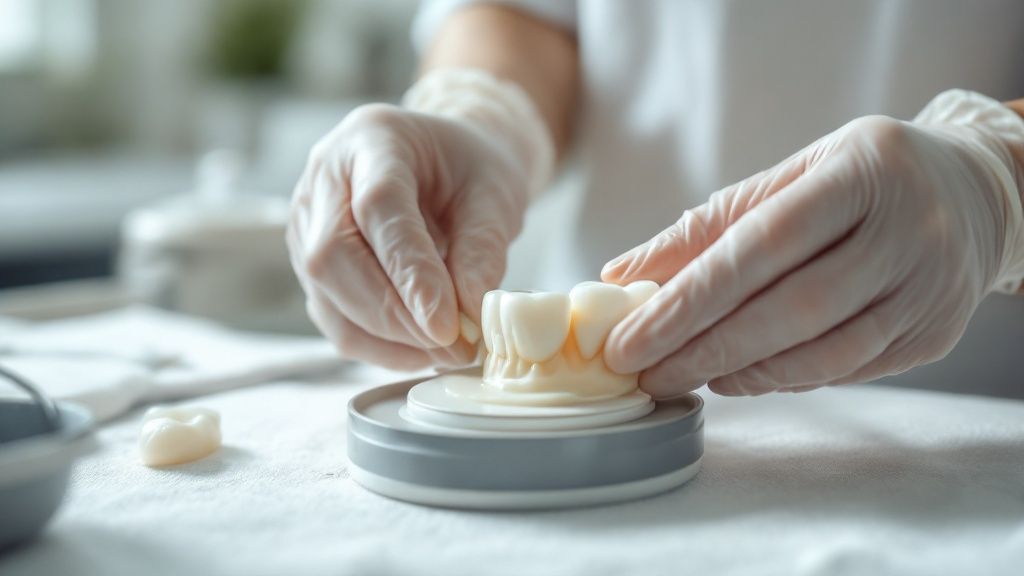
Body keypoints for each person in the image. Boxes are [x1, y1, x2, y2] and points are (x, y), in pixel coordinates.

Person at [287, 1, 1024, 398]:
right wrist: (477, 111)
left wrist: (998, 183)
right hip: (602, 453)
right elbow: (523, 12)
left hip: (978, 430)